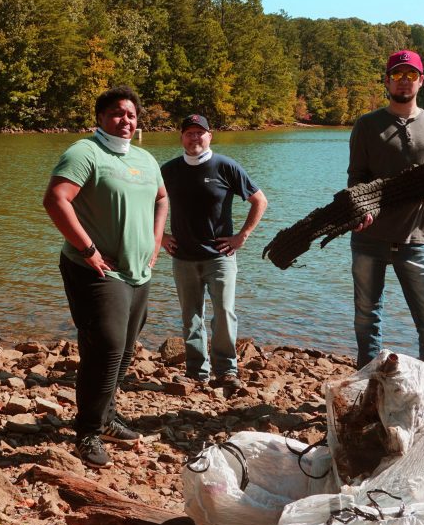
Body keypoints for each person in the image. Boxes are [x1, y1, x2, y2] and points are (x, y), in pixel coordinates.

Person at [43, 86, 168, 469]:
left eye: (131, 114)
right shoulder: (86, 152)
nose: (125, 120)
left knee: (125, 351)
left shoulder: (146, 159)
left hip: (137, 269)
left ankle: (107, 417)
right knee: (108, 347)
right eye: (116, 113)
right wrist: (88, 249)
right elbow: (55, 199)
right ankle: (87, 431)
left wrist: (156, 239)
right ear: (100, 117)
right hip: (95, 269)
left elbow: (162, 198)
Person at [347, 50, 424, 369]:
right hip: (369, 239)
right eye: (398, 75)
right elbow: (356, 179)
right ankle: (367, 387)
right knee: (367, 323)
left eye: (411, 75)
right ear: (387, 80)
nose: (404, 82)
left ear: (421, 80)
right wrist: (361, 209)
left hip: (416, 241)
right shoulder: (366, 125)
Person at [160, 114, 268, 390]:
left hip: (219, 257)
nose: (195, 138)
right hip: (183, 257)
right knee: (190, 316)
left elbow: (259, 200)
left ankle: (226, 370)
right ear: (181, 137)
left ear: (210, 136)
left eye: (200, 133)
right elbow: (149, 201)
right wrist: (159, 235)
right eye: (189, 133)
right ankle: (196, 372)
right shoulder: (169, 170)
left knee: (224, 313)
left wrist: (241, 237)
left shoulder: (226, 166)